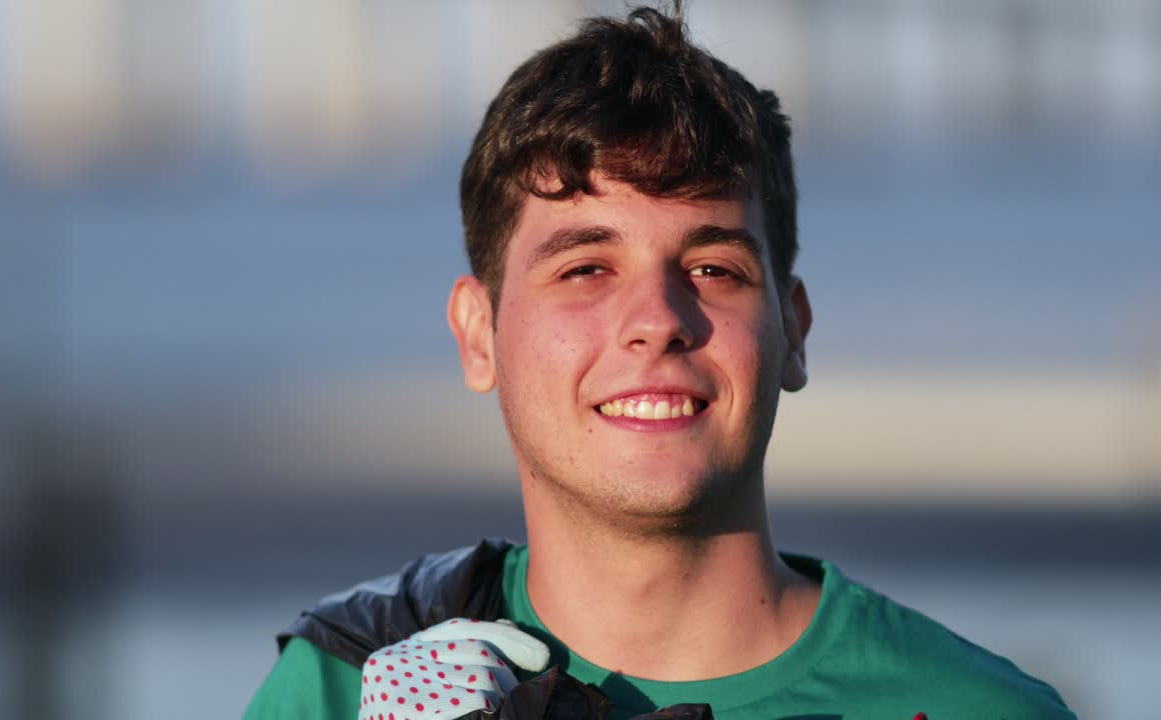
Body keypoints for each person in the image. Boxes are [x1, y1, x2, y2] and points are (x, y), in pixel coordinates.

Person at [244, 4, 1077, 719]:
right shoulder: (338, 690)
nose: (658, 322)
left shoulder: (980, 708)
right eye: (585, 269)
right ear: (477, 334)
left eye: (713, 269)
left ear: (793, 330)